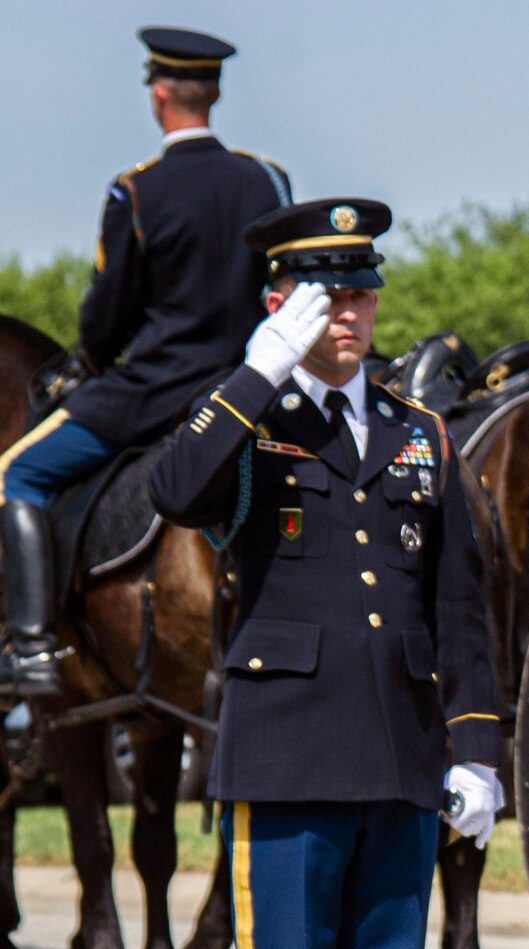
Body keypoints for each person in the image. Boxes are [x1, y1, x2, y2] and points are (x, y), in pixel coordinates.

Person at [149, 199, 504, 949]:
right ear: (280, 302)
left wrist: (476, 749)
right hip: (289, 752)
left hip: (398, 757)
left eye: (359, 290)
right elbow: (177, 490)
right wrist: (254, 372)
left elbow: (461, 608)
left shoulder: (418, 433)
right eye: (323, 293)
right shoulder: (250, 423)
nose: (348, 311)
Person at [0, 26, 289, 695]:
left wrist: (94, 358)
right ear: (212, 92)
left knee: (18, 471)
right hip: (249, 386)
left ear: (160, 96)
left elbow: (107, 317)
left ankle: (35, 646)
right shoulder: (266, 179)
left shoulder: (137, 193)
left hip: (155, 392)